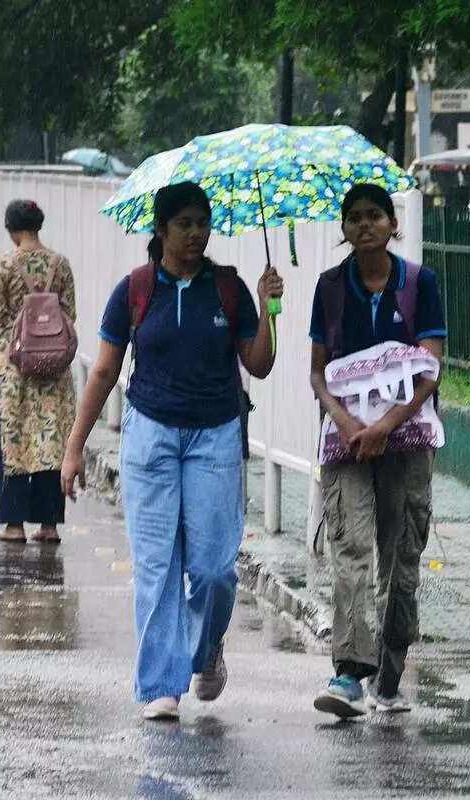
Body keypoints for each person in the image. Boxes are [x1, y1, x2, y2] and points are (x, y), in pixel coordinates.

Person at [61, 181, 283, 721]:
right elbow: (106, 371)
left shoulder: (228, 289)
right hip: (151, 434)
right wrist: (74, 449)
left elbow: (259, 364)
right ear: (160, 230)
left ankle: (206, 649)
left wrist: (272, 308)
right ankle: (161, 682)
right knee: (159, 567)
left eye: (203, 223)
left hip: (215, 435)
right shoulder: (136, 290)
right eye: (184, 223)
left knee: (212, 570)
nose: (196, 233)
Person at [309, 184, 446, 717]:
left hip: (405, 440)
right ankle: (347, 672)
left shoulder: (420, 284)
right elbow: (318, 372)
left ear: (392, 224)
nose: (365, 225)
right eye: (354, 218)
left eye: (374, 215)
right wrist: (345, 422)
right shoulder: (329, 288)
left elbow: (429, 367)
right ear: (343, 230)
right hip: (346, 445)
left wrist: (385, 426)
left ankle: (389, 676)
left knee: (400, 560)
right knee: (350, 549)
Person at [0, 200, 76, 544]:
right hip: (53, 367)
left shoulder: (4, 263)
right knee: (49, 440)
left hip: (13, 367)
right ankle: (49, 525)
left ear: (11, 228)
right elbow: (70, 312)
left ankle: (13, 526)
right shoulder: (59, 263)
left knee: (14, 440)